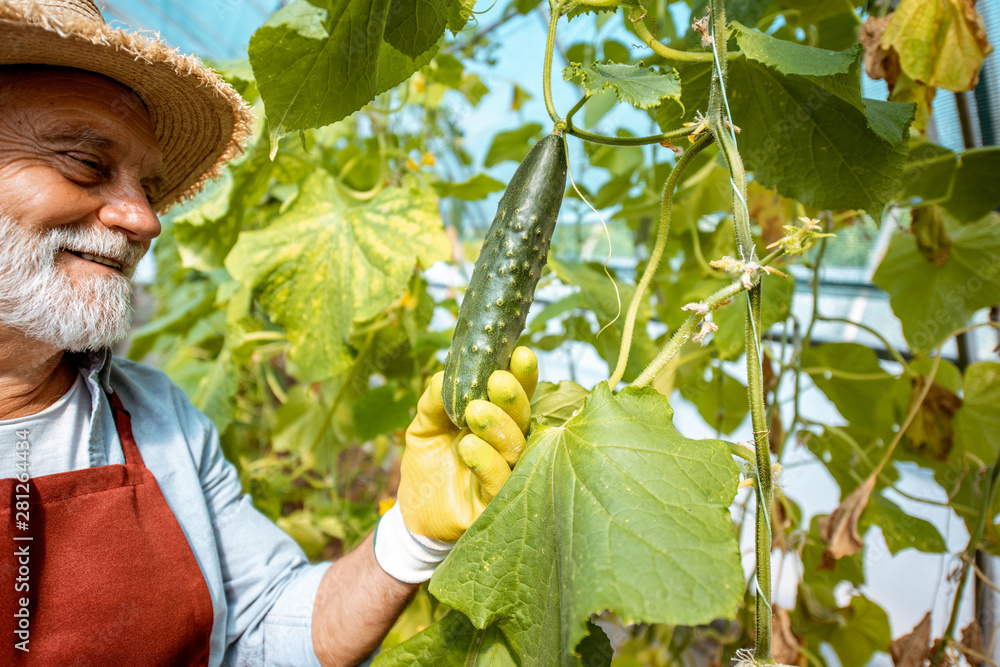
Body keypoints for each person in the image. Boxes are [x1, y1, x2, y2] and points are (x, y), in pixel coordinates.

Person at [0, 1, 535, 665]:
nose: (145, 219)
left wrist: (413, 534)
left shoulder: (157, 415)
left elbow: (264, 625)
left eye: (150, 186)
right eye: (84, 163)